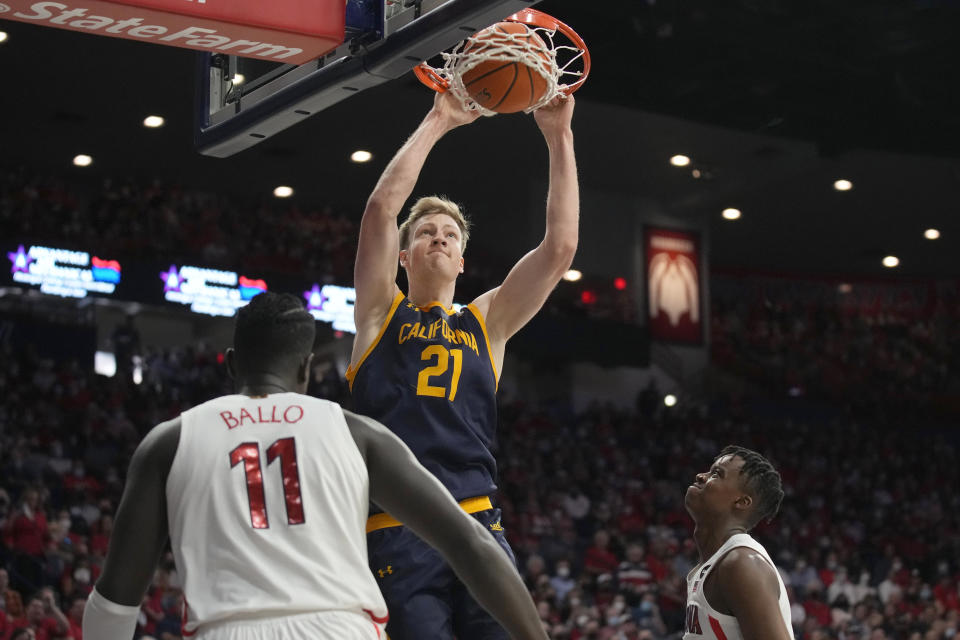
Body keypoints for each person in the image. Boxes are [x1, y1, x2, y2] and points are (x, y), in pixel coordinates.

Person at [83, 292, 547, 640]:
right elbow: (470, 542)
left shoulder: (169, 441)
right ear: (306, 370)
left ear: (229, 365)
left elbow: (115, 602)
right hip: (341, 628)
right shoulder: (355, 432)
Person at [348, 87, 578, 639]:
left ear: (462, 259)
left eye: (449, 234)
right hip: (398, 526)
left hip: (477, 522)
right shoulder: (381, 313)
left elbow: (559, 249)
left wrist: (558, 135)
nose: (438, 237)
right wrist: (440, 119)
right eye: (425, 231)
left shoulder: (487, 321)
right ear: (403, 257)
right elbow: (381, 210)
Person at [683, 445, 794, 640]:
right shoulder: (714, 563)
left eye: (716, 474)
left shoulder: (741, 562)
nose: (701, 476)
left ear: (742, 501)